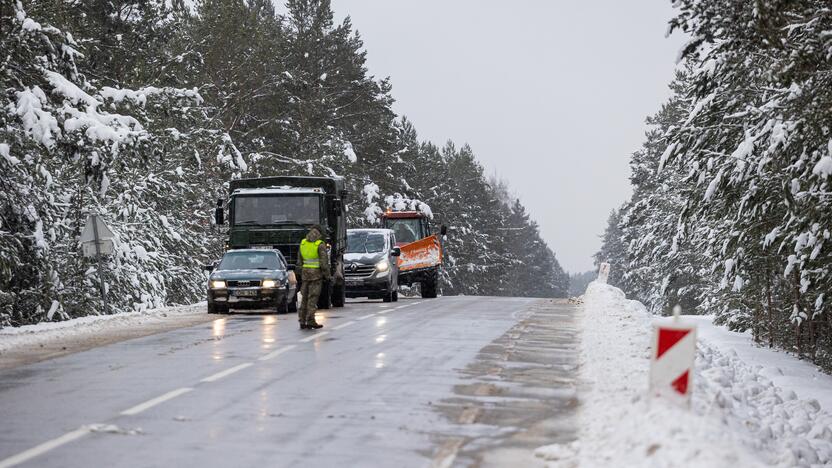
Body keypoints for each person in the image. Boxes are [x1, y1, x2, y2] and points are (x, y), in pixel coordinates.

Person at [296, 225, 330, 329]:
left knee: (304, 298)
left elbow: (299, 260)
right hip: (316, 275)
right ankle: (310, 320)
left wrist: (300, 273)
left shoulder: (303, 243)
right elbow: (323, 263)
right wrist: (327, 275)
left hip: (305, 275)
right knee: (312, 299)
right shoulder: (320, 244)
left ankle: (302, 320)